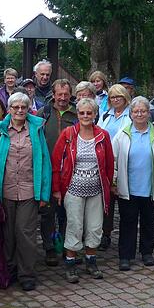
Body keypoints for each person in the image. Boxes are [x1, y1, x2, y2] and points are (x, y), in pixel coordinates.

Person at [0, 92, 51, 291]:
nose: (20, 111)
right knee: (8, 233)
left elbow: (45, 163)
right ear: (9, 110)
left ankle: (27, 273)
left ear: (28, 109)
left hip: (29, 190)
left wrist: (45, 194)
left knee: (25, 232)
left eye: (23, 107)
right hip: (4, 189)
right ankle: (9, 269)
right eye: (15, 107)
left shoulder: (36, 129)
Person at [51, 98, 114, 282]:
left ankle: (91, 261)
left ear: (95, 114)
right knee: (74, 226)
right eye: (82, 113)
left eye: (89, 113)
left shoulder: (103, 136)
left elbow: (109, 164)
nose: (85, 116)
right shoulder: (68, 134)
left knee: (94, 227)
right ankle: (70, 264)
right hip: (73, 189)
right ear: (77, 114)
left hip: (96, 190)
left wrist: (108, 187)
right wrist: (56, 190)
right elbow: (56, 163)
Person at [112, 96, 154, 270]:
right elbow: (114, 159)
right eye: (136, 111)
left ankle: (147, 253)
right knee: (127, 222)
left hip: (150, 187)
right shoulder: (123, 134)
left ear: (149, 113)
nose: (139, 114)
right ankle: (125, 256)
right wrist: (114, 182)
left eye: (143, 111)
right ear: (131, 114)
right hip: (128, 188)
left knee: (149, 221)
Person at [37, 79, 77, 267]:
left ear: (70, 95)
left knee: (70, 213)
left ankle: (68, 247)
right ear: (53, 94)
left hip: (72, 172)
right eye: (59, 94)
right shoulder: (43, 113)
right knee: (48, 213)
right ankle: (50, 248)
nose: (62, 98)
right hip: (48, 171)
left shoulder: (77, 113)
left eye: (66, 94)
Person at [96, 84, 132, 250]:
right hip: (107, 162)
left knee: (125, 201)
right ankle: (106, 234)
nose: (116, 99)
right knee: (107, 201)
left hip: (126, 162)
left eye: (119, 96)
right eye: (112, 97)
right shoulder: (106, 115)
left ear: (125, 97)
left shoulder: (131, 114)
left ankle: (127, 238)